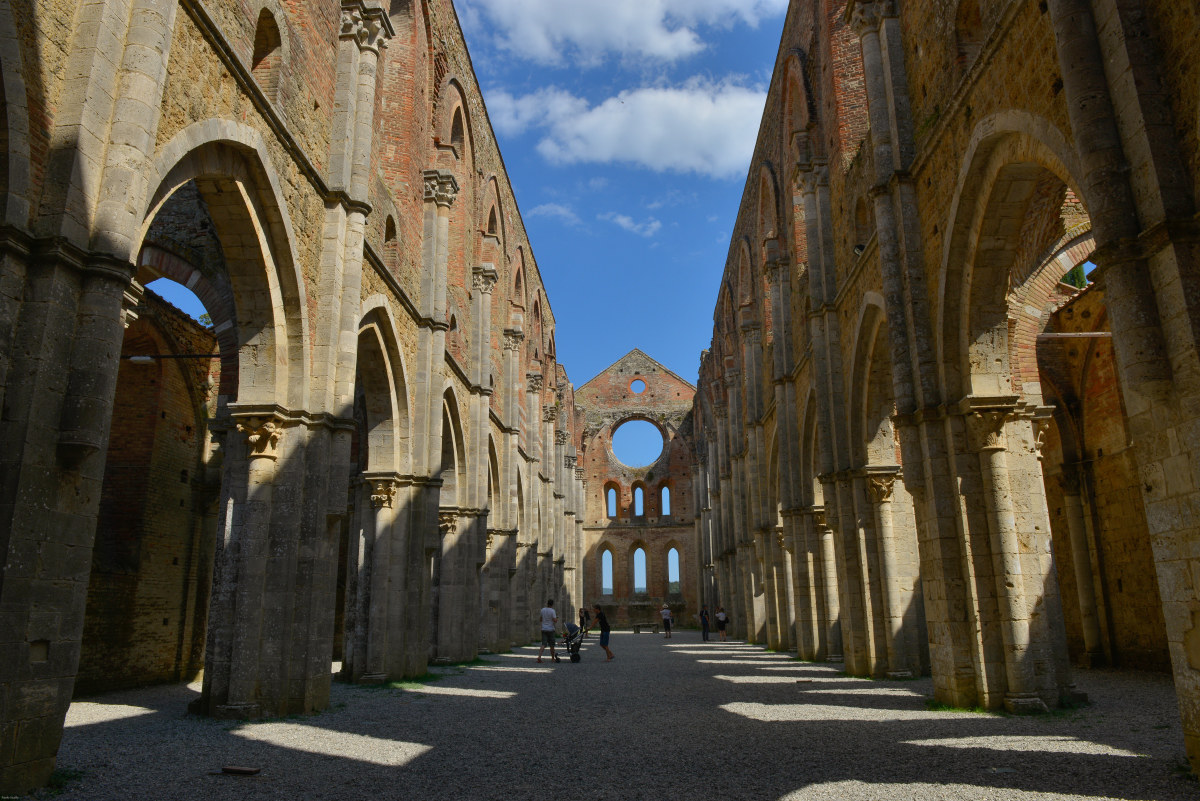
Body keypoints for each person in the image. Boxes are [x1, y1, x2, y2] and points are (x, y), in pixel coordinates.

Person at [538, 599, 560, 663]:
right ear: (552, 604)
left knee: (543, 644)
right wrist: (556, 619)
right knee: (552, 645)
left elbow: (540, 619)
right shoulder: (552, 611)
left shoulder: (542, 610)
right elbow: (555, 620)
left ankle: (539, 656)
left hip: (544, 629)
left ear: (547, 603)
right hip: (550, 629)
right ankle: (553, 658)